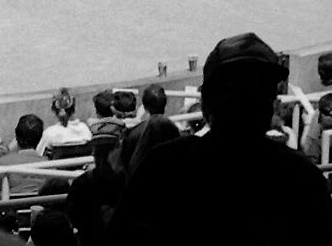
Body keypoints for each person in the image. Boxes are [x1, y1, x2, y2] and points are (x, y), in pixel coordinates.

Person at [104, 31, 332, 243]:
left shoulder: (164, 166)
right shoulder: (301, 179)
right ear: (272, 106)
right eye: (238, 93)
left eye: (257, 91)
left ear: (206, 104)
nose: (246, 103)